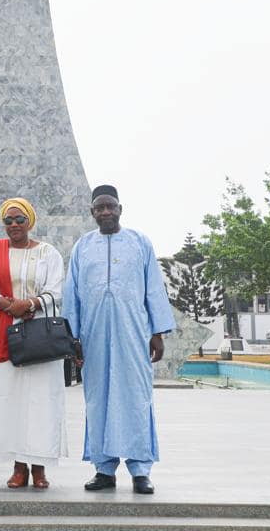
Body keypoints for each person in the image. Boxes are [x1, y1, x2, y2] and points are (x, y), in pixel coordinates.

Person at [62, 185, 175, 495]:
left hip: (134, 334)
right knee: (98, 400)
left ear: (120, 209)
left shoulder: (139, 243)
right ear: (92, 212)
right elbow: (72, 296)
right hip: (94, 336)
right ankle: (104, 469)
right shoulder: (83, 247)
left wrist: (157, 332)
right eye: (100, 208)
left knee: (136, 398)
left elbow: (153, 288)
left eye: (110, 206)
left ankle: (141, 471)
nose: (106, 212)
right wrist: (73, 339)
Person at [0, 197, 67, 489]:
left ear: (30, 221)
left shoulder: (48, 253)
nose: (14, 225)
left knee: (39, 401)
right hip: (3, 331)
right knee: (10, 401)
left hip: (38, 332)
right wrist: (5, 304)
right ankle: (18, 468)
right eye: (9, 221)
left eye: (20, 220)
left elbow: (57, 289)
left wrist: (30, 304)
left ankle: (39, 468)